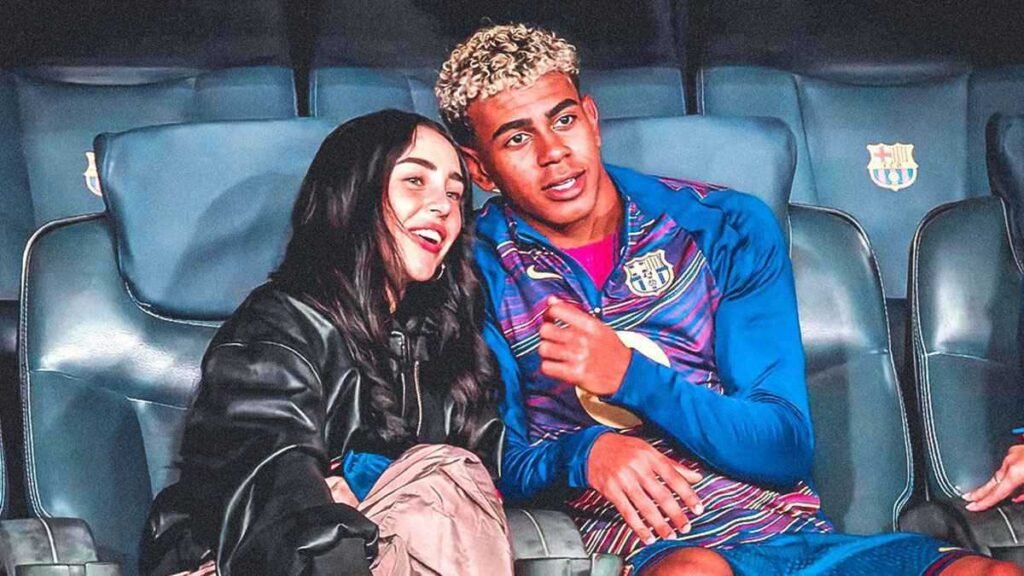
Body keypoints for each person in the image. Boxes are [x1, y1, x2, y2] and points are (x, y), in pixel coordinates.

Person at [435, 23, 1024, 575]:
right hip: (651, 544)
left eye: (563, 120)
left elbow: (783, 445)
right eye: (517, 138)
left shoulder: (722, 226)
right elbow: (490, 460)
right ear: (479, 169)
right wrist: (585, 453)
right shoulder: (472, 270)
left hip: (790, 530)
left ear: (591, 119)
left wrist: (632, 377)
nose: (553, 152)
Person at [139, 110, 513, 576]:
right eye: (415, 181)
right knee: (442, 480)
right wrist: (335, 519)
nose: (443, 206)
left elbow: (490, 478)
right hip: (247, 562)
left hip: (373, 556)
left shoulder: (445, 342)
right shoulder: (277, 327)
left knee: (448, 480)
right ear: (356, 194)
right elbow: (271, 484)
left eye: (455, 194)